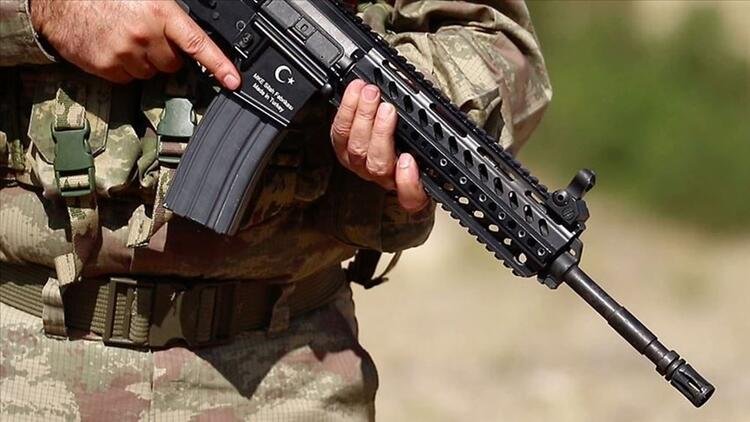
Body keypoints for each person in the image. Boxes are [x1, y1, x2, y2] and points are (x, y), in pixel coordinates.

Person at [0, 0, 551, 420]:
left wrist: (392, 109)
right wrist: (46, 12)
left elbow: (503, 50)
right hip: (24, 359)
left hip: (287, 371)